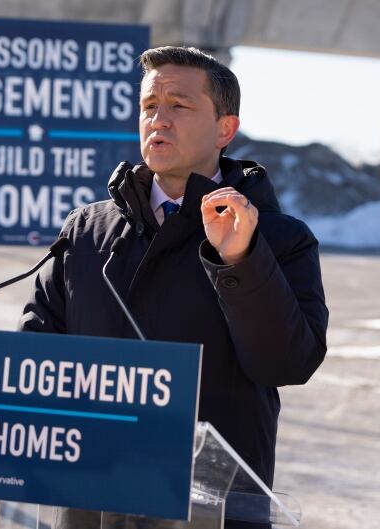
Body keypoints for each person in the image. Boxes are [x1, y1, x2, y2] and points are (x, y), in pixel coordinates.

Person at [19, 46, 328, 527]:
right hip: (89, 502)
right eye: (149, 106)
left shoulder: (279, 239)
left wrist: (241, 260)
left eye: (179, 105)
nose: (158, 120)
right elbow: (35, 358)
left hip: (209, 510)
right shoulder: (85, 231)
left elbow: (287, 361)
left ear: (225, 128)